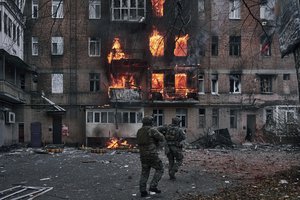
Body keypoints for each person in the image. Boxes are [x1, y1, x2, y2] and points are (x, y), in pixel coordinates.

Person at [136, 116, 165, 197]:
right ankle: (153, 186)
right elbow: (162, 138)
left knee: (145, 172)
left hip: (143, 155)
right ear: (150, 122)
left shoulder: (139, 131)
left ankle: (143, 191)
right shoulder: (152, 130)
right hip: (152, 154)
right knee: (160, 169)